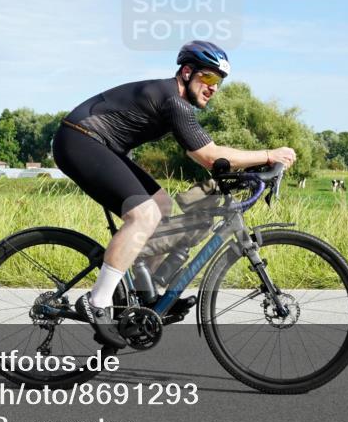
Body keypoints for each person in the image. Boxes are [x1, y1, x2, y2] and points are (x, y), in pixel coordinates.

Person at [52, 41, 297, 348]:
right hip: (79, 139)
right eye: (208, 78)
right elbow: (210, 157)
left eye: (218, 82)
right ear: (186, 72)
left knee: (162, 207)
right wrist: (267, 154)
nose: (213, 88)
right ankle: (96, 301)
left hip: (103, 146)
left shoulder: (176, 104)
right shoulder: (173, 101)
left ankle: (147, 295)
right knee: (144, 215)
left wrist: (247, 172)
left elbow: (212, 161)